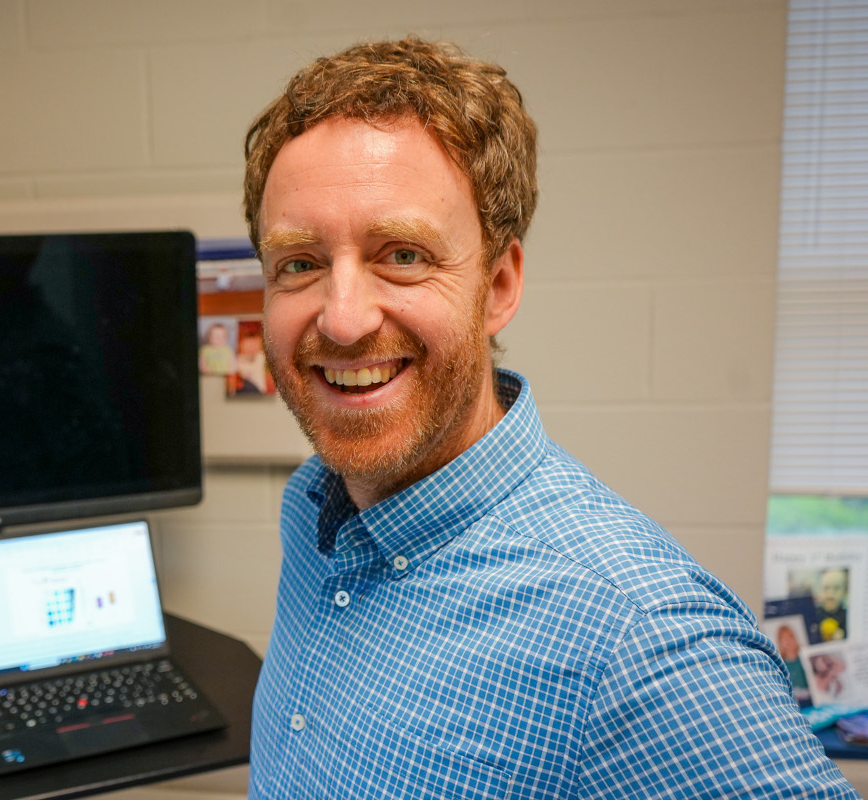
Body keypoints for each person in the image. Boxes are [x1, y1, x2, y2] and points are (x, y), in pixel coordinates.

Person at [242, 37, 858, 798]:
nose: (340, 320)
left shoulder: (648, 642)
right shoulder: (314, 511)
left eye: (401, 255)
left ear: (498, 284)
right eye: (298, 263)